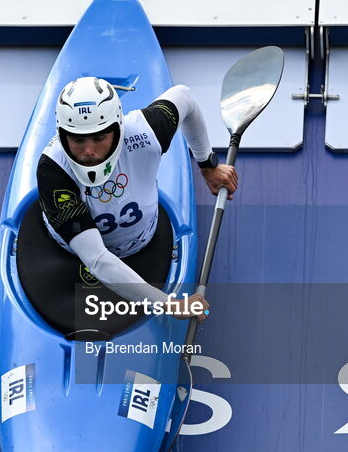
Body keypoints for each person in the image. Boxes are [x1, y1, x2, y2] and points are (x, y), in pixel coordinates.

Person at [36, 76, 237, 322]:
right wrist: (169, 305)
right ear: (63, 134)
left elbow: (184, 97)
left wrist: (207, 165)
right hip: (72, 254)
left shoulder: (146, 131)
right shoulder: (53, 169)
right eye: (78, 139)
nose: (89, 151)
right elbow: (97, 258)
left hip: (142, 243)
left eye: (99, 138)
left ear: (117, 128)